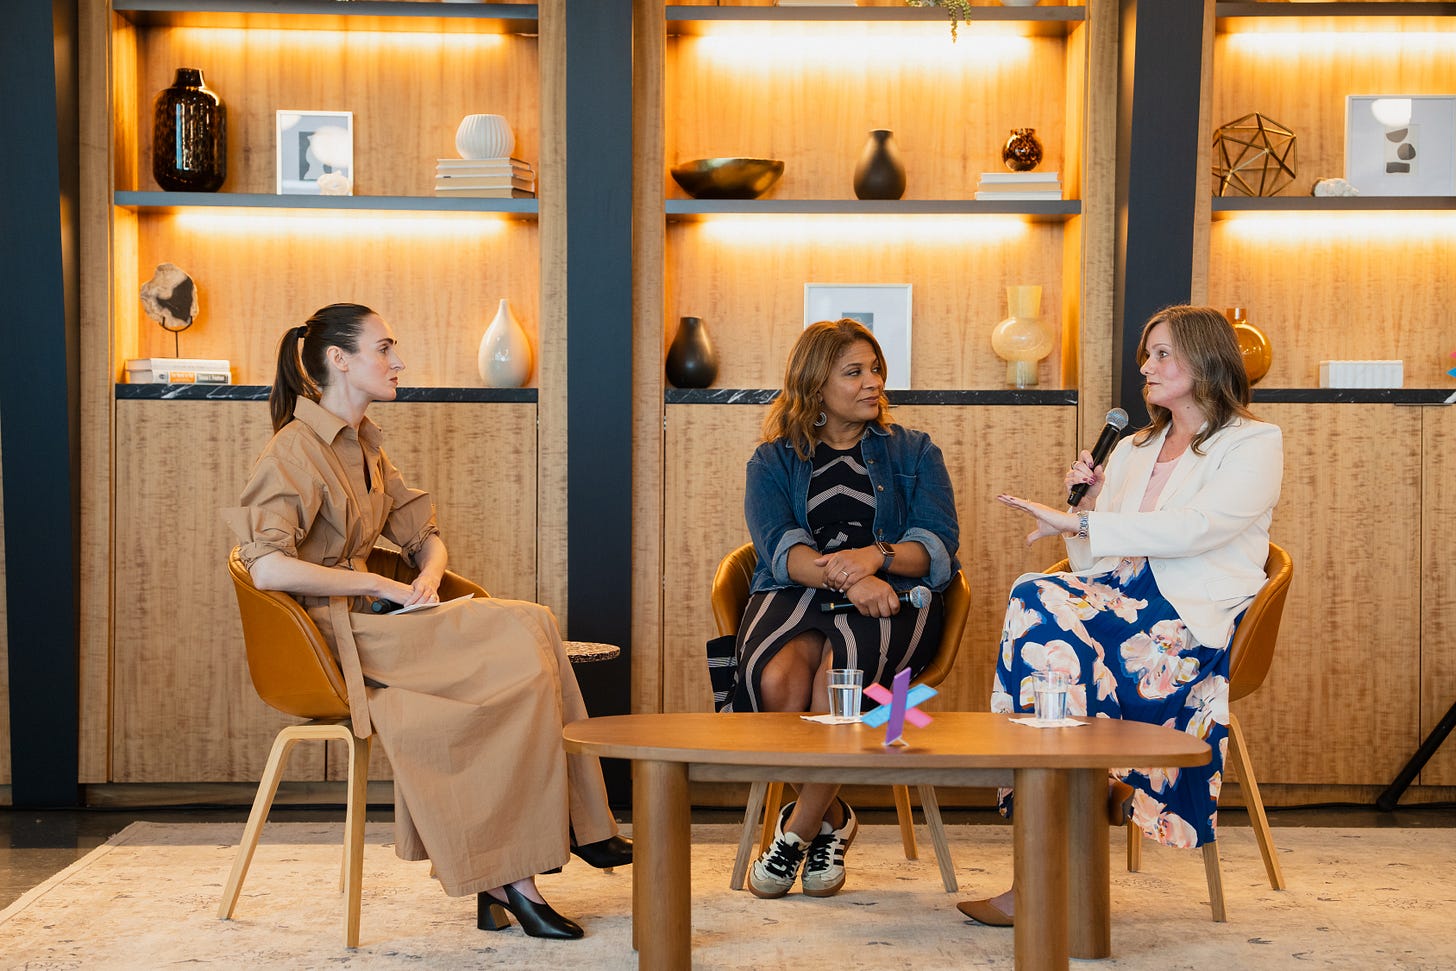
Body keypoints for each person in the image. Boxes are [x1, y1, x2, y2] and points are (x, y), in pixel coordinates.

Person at [223, 303, 632, 940]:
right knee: (527, 629)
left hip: (385, 622)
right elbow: (269, 569)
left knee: (533, 637)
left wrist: (428, 576)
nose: (398, 361)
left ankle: (539, 860)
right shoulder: (292, 452)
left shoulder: (364, 445)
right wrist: (380, 583)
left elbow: (426, 534)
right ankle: (547, 855)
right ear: (340, 360)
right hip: (336, 640)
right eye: (383, 348)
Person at [957, 304, 1283, 928]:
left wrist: (1082, 519)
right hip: (1120, 600)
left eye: (1162, 354)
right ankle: (1065, 818)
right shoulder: (1136, 446)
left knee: (1039, 603)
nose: (1146, 367)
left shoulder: (1253, 443)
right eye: (1146, 354)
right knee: (1036, 596)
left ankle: (1056, 844)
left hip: (1183, 624)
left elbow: (1198, 529)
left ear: (1206, 358)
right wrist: (1092, 506)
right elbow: (1097, 558)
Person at [728, 318, 960, 900]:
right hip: (798, 592)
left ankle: (796, 832)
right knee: (779, 680)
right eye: (854, 372)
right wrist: (848, 581)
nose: (873, 383)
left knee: (842, 684)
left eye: (875, 369)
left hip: (897, 600)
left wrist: (874, 559)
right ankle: (834, 819)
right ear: (814, 384)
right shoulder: (772, 460)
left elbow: (937, 545)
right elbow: (781, 549)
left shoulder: (915, 450)